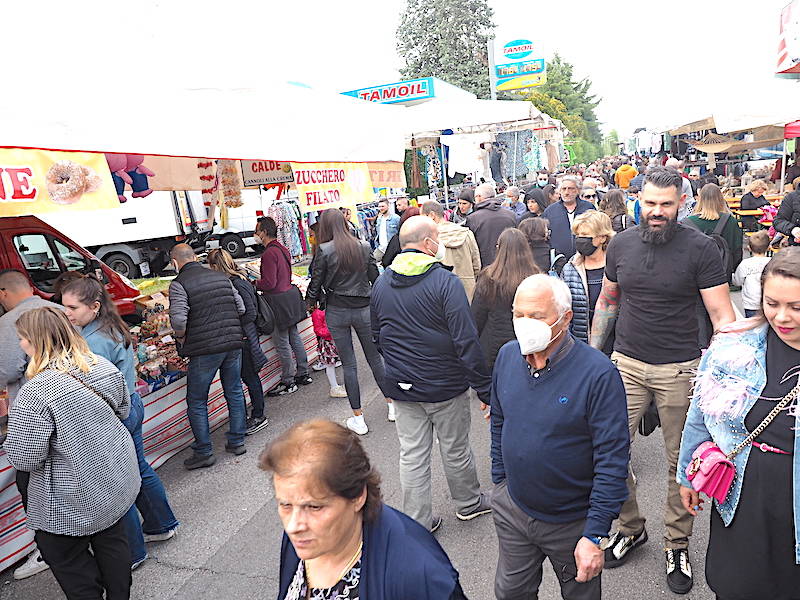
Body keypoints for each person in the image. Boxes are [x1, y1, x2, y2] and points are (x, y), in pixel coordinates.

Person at [590, 166, 736, 594]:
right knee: (607, 451)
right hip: (625, 363)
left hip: (681, 369)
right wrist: (591, 355)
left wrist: (729, 371)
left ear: (681, 203)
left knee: (682, 461)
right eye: (650, 203)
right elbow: (608, 301)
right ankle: (630, 528)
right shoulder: (621, 244)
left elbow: (722, 315)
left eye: (666, 204)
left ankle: (677, 543)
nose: (656, 211)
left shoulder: (701, 248)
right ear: (638, 200)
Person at [490, 275, 630, 600]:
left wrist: (594, 534)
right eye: (518, 314)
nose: (524, 324)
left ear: (565, 319)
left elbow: (612, 460)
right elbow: (499, 419)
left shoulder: (598, 374)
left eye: (536, 316)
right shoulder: (507, 356)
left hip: (571, 522)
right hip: (514, 508)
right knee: (510, 593)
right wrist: (500, 482)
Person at [677, 248, 800, 600]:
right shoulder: (735, 344)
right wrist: (687, 474)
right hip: (743, 486)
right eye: (772, 303)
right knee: (736, 583)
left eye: (796, 307)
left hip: (792, 493)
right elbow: (701, 412)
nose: (782, 317)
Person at [5, 307, 140, 600]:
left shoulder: (35, 392)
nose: (21, 344)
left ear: (37, 341)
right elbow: (123, 410)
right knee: (112, 540)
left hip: (68, 497)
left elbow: (25, 458)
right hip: (112, 479)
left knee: (68, 560)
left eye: (23, 338)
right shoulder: (102, 366)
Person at [371, 216, 492, 532]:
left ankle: (418, 522)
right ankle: (468, 503)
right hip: (445, 384)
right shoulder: (445, 283)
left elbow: (377, 336)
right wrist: (484, 388)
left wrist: (397, 367)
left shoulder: (382, 283)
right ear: (428, 243)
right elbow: (466, 340)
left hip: (402, 385)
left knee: (412, 454)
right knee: (455, 448)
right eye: (437, 238)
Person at [263, 419, 468, 599]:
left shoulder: (419, 576)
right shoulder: (304, 538)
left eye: (315, 507)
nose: (293, 526)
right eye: (285, 504)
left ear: (358, 496)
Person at [61, 275, 180, 571]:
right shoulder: (107, 327)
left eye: (73, 307)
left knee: (116, 482)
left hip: (114, 413)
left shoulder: (94, 342)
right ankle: (161, 524)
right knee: (137, 469)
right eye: (65, 307)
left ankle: (132, 551)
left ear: (94, 306)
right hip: (129, 403)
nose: (67, 313)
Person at [0, 269, 63, 580]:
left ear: (3, 293)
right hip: (69, 409)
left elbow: (5, 371)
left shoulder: (9, 323)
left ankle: (48, 550)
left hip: (35, 420)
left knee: (34, 485)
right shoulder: (59, 309)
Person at [306, 209, 391, 433]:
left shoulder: (324, 250)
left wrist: (311, 302)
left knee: (349, 364)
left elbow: (316, 282)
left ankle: (358, 418)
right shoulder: (363, 246)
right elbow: (375, 279)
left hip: (337, 310)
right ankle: (392, 405)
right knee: (375, 359)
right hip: (364, 308)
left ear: (325, 226)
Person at [168, 243, 248, 469]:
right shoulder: (221, 277)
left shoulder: (179, 284)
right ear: (195, 257)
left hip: (204, 349)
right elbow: (241, 308)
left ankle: (204, 451)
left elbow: (179, 321)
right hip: (232, 342)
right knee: (234, 390)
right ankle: (237, 441)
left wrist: (180, 337)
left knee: (197, 400)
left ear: (174, 263)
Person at [206, 249, 270, 435]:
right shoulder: (238, 279)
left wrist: (232, 324)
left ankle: (258, 416)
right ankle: (254, 414)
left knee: (250, 377)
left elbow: (250, 312)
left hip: (245, 336)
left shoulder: (237, 283)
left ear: (216, 266)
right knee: (249, 377)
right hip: (244, 335)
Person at [254, 217, 312, 397]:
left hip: (277, 301)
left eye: (257, 230)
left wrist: (254, 283)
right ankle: (303, 372)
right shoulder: (282, 248)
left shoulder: (269, 254)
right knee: (294, 336)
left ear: (264, 232)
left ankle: (288, 380)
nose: (255, 234)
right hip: (289, 298)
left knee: (282, 342)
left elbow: (269, 283)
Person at [471, 228, 539, 372]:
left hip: (493, 346)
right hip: (526, 344)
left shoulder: (488, 278)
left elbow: (477, 317)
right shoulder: (535, 277)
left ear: (499, 249)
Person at [560, 211, 614, 352]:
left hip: (613, 345)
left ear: (602, 237)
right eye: (577, 236)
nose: (580, 240)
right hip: (579, 346)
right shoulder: (570, 268)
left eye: (585, 235)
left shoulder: (615, 266)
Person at [420, 200, 481, 300]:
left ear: (431, 215)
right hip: (467, 289)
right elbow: (477, 265)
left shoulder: (428, 240)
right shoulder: (467, 234)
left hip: (441, 292)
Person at [541, 175, 595, 260]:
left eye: (570, 189)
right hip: (560, 259)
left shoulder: (588, 208)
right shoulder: (550, 211)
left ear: (578, 190)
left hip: (586, 257)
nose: (566, 192)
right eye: (564, 189)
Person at [466, 182, 517, 267]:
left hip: (485, 266)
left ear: (478, 197)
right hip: (509, 264)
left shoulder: (472, 219)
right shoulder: (511, 215)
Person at [732, 230, 772, 318]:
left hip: (751, 304)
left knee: (752, 325)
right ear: (769, 247)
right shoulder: (772, 262)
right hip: (769, 302)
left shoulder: (745, 264)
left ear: (749, 248)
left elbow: (737, 281)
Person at [310, 307, 347, 398]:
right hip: (328, 342)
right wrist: (331, 330)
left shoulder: (330, 308)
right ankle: (334, 387)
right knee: (330, 365)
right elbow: (318, 330)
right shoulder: (318, 313)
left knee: (339, 362)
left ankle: (340, 385)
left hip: (336, 339)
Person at [374, 199, 400, 263]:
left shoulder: (396, 218)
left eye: (383, 206)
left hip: (392, 249)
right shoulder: (379, 219)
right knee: (372, 262)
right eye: (379, 206)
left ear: (388, 206)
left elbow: (400, 233)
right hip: (381, 248)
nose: (381, 208)